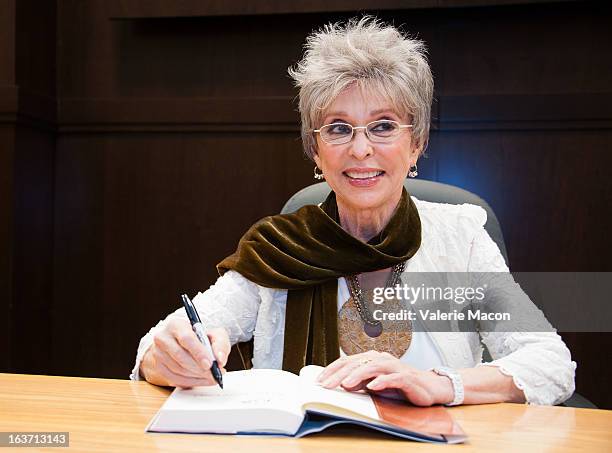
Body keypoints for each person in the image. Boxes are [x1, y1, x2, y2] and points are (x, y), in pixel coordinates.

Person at [131, 17, 575, 406]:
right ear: (316, 151)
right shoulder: (282, 250)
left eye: (383, 126)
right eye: (339, 129)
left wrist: (440, 384)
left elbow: (550, 362)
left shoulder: (460, 240)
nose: (361, 150)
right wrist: (174, 357)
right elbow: (154, 352)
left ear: (416, 142)